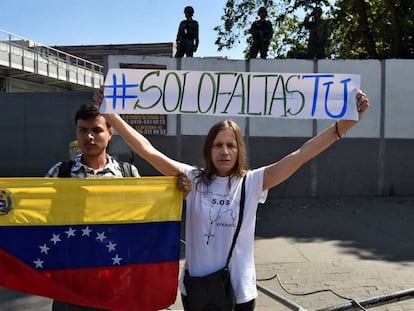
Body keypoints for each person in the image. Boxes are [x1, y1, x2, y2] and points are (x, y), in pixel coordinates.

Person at [94, 89, 369, 310]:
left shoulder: (253, 181)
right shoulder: (193, 178)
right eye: (217, 145)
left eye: (230, 145)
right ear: (208, 150)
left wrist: (341, 127)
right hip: (197, 292)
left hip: (238, 294)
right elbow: (148, 151)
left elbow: (301, 154)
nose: (224, 151)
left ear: (239, 150)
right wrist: (113, 116)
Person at [45, 103, 191, 310]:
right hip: (71, 282)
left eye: (97, 130)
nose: (89, 137)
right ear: (76, 133)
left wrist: (176, 193)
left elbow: (146, 216)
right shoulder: (59, 174)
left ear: (110, 132)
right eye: (83, 130)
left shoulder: (127, 174)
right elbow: (39, 217)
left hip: (117, 280)